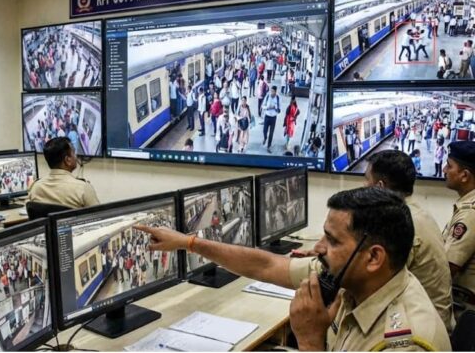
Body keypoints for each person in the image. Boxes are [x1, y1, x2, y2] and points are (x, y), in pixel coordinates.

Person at [134, 187, 450, 351]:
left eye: (332, 240)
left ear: (373, 258)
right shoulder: (356, 279)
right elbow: (267, 264)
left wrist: (310, 342)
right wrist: (189, 242)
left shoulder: (405, 343)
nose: (318, 248)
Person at [364, 150, 454, 332]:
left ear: (380, 187)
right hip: (433, 318)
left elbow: (372, 281)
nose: (364, 186)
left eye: (367, 180)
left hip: (420, 328)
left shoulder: (399, 223)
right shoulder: (418, 213)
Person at [442, 141, 475, 310]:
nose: (444, 170)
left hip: (465, 310)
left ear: (464, 175)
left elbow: (446, 268)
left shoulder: (470, 213)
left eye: (449, 166)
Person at [29, 137, 99, 208]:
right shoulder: (83, 188)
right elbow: (98, 214)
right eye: (74, 152)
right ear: (67, 160)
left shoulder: (35, 188)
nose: (76, 156)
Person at [261, 85, 281, 154]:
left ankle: (269, 146)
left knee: (271, 133)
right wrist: (267, 107)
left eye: (273, 91)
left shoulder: (278, 98)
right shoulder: (267, 97)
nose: (271, 93)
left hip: (273, 118)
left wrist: (275, 108)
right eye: (271, 91)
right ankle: (265, 137)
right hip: (267, 116)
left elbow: (279, 110)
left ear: (275, 92)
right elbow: (262, 106)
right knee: (264, 130)